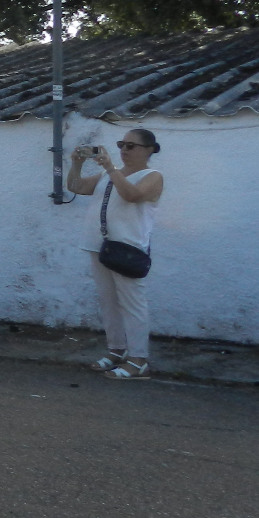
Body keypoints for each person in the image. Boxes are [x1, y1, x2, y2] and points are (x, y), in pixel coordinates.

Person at [70, 128, 164, 380]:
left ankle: (139, 359)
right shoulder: (107, 174)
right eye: (122, 144)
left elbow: (132, 195)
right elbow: (76, 186)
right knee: (108, 301)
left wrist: (112, 169)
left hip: (128, 248)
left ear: (149, 150)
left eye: (131, 146)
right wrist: (76, 164)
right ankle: (117, 350)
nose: (124, 150)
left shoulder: (152, 176)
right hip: (98, 245)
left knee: (132, 304)